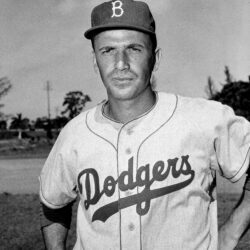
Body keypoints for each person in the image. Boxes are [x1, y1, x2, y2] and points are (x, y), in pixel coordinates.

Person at [39, 0, 250, 249]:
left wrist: (232, 233)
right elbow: (52, 203)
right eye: (108, 51)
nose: (121, 63)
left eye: (134, 49)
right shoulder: (74, 134)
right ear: (95, 61)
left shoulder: (204, 118)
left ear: (155, 58)